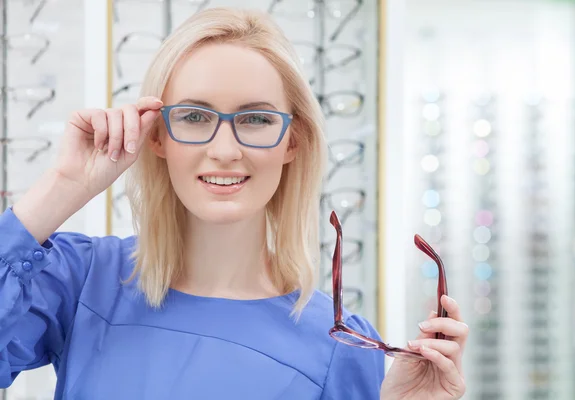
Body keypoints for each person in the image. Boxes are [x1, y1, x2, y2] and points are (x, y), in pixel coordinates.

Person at [0, 7, 468, 399]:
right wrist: (64, 184)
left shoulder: (340, 345)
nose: (224, 149)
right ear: (157, 135)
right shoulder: (80, 280)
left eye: (257, 119)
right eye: (195, 116)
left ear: (293, 142)